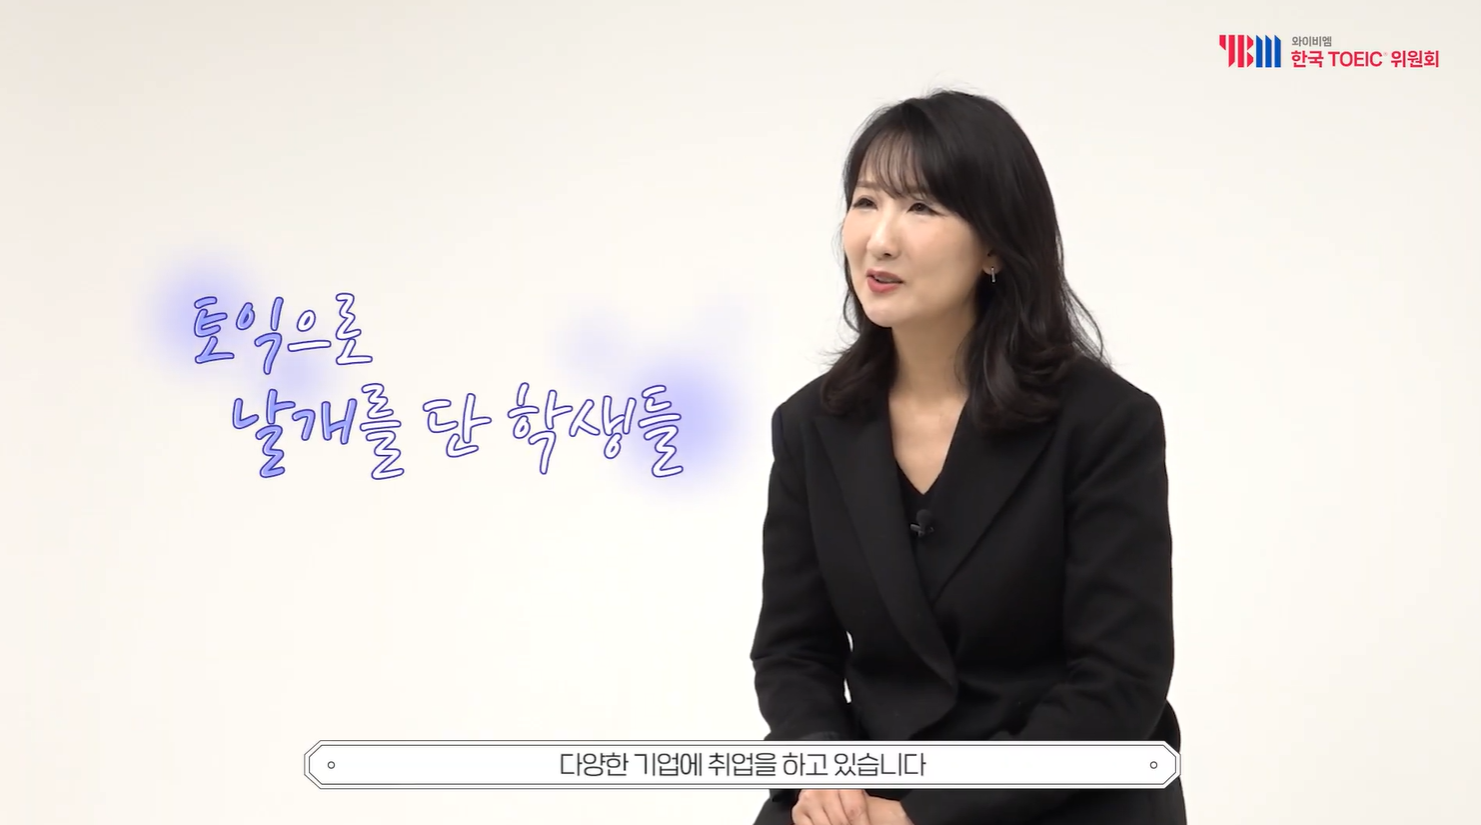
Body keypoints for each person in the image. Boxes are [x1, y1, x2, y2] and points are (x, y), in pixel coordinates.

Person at [748, 89, 1186, 825]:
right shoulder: (810, 426)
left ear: (994, 246)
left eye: (921, 207)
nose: (879, 239)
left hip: (1057, 791)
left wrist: (924, 813)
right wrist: (823, 769)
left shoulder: (1105, 422)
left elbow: (1118, 681)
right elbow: (793, 652)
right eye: (865, 202)